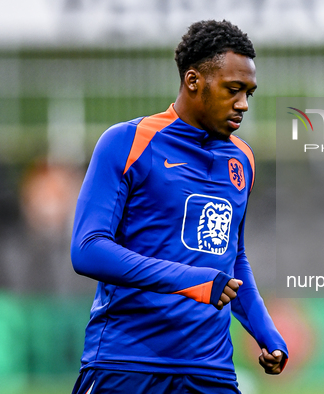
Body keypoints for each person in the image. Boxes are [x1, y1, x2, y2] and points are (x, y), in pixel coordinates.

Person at [70, 20, 288, 394]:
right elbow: (88, 250)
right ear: (193, 81)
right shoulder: (127, 142)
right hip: (127, 364)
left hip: (211, 371)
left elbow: (232, 257)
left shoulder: (242, 161)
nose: (243, 104)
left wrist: (267, 333)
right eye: (233, 90)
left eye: (249, 93)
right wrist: (193, 280)